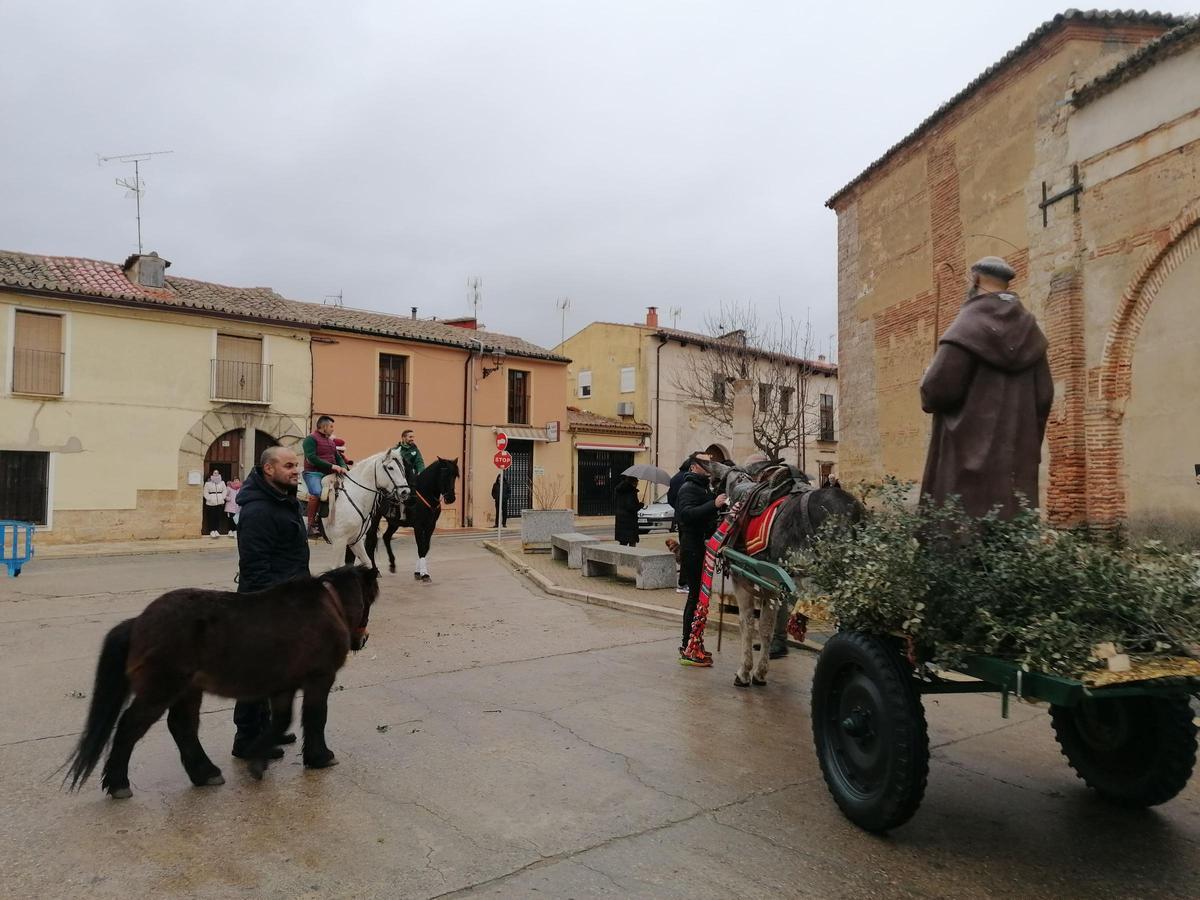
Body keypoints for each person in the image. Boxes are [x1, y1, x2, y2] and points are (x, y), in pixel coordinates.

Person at [920, 256, 1053, 520]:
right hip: (1015, 466)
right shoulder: (1033, 333)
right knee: (1010, 534)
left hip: (963, 472)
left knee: (963, 534)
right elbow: (1044, 396)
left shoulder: (966, 326)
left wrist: (927, 378)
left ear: (976, 279)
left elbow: (936, 393)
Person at [231, 445, 311, 759]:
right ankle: (246, 739)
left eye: (296, 465)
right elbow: (255, 567)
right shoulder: (259, 511)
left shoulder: (283, 500)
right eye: (289, 466)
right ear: (269, 469)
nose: (296, 471)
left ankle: (265, 728)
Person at [674, 453, 729, 664]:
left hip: (701, 546)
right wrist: (713, 504)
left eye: (710, 462)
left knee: (700, 598)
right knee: (695, 597)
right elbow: (686, 515)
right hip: (692, 547)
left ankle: (695, 642)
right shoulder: (688, 488)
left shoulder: (704, 487)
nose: (709, 466)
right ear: (694, 467)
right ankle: (688, 644)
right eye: (704, 463)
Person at [301, 415, 348, 538]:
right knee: (317, 493)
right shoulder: (310, 439)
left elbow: (338, 457)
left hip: (329, 473)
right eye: (331, 426)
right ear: (324, 426)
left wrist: (343, 466)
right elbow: (311, 458)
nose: (333, 429)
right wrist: (332, 466)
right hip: (313, 473)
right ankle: (311, 525)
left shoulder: (331, 442)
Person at [667, 457, 693, 593]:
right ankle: (684, 582)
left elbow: (670, 498)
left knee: (684, 549)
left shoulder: (675, 478)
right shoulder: (688, 479)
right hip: (689, 519)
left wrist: (678, 509)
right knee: (688, 551)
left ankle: (684, 582)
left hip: (680, 518)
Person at [614, 475, 642, 547]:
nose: (637, 484)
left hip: (620, 519)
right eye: (637, 482)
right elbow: (631, 507)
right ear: (633, 482)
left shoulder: (619, 490)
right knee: (632, 541)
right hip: (630, 521)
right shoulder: (631, 491)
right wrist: (640, 505)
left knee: (623, 543)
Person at [202, 470, 229, 537]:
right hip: (211, 503)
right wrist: (209, 498)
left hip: (219, 502)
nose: (216, 474)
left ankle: (216, 530)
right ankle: (211, 530)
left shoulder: (222, 482)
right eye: (214, 473)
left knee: (218, 517)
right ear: (212, 474)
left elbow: (224, 490)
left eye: (217, 473)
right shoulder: (208, 483)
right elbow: (205, 492)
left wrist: (222, 497)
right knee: (211, 517)